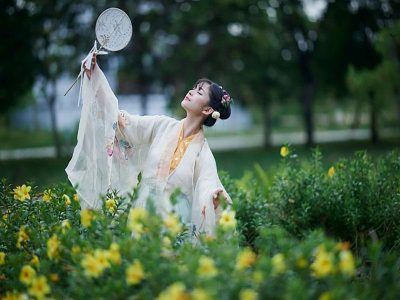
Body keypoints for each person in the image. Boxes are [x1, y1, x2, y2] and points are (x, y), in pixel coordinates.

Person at [65, 54, 233, 241]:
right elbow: (121, 122)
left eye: (199, 92)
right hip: (144, 212)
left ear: (207, 110)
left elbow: (207, 185)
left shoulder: (203, 153)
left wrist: (214, 198)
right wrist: (94, 76)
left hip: (175, 222)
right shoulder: (162, 125)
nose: (191, 92)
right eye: (193, 88)